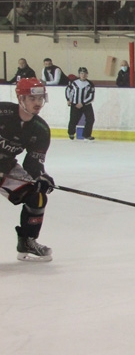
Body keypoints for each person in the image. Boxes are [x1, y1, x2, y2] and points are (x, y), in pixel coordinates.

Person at [0, 78, 56, 261]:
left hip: (5, 167)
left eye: (41, 98)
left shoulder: (40, 129)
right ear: (20, 98)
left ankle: (27, 241)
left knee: (37, 196)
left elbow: (33, 163)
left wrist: (41, 177)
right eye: (33, 99)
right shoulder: (2, 112)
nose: (38, 103)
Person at [65, 67, 96, 141]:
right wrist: (68, 99)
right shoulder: (73, 82)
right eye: (82, 73)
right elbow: (68, 90)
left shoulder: (90, 84)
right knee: (73, 119)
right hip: (75, 104)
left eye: (85, 73)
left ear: (87, 74)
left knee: (90, 119)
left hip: (86, 105)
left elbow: (91, 96)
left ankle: (87, 135)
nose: (83, 75)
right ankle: (71, 133)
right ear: (79, 74)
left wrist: (83, 103)